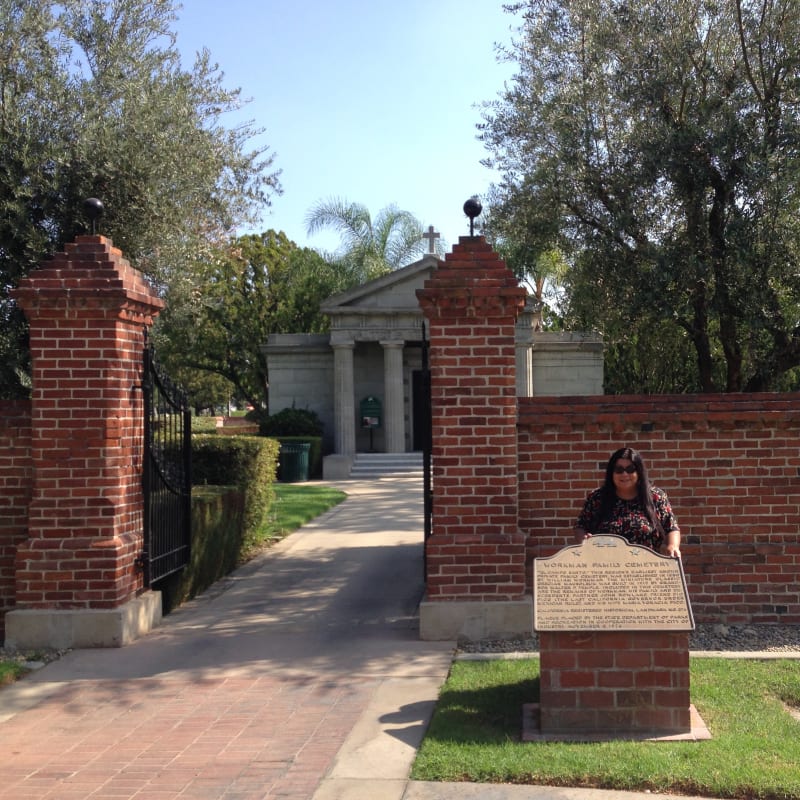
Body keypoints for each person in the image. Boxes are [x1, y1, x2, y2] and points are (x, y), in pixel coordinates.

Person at [575, 446, 682, 558]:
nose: (624, 474)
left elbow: (672, 528)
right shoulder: (597, 498)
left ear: (639, 472)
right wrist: (585, 542)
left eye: (630, 469)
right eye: (619, 470)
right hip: (605, 567)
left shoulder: (655, 497)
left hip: (647, 567)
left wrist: (672, 546)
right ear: (611, 473)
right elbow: (581, 526)